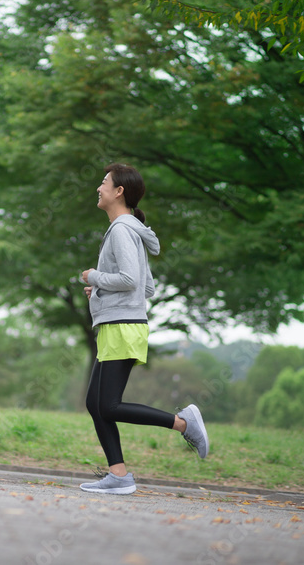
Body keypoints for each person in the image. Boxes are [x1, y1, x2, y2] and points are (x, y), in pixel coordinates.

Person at [78, 163, 209, 495]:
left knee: (107, 405)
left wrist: (93, 277)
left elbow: (130, 280)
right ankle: (119, 476)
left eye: (104, 182)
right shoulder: (130, 229)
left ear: (119, 191)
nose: (99, 187)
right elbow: (145, 288)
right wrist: (103, 290)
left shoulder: (122, 229)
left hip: (122, 327)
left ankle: (183, 423)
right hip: (119, 325)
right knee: (96, 403)